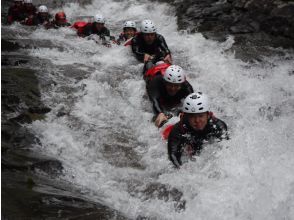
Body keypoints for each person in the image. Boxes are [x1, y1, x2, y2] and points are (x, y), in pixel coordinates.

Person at [168, 92, 228, 168]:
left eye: (201, 116)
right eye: (192, 117)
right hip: (187, 137)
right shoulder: (178, 129)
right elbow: (173, 155)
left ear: (208, 115)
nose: (197, 120)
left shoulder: (218, 126)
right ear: (187, 117)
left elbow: (226, 151)